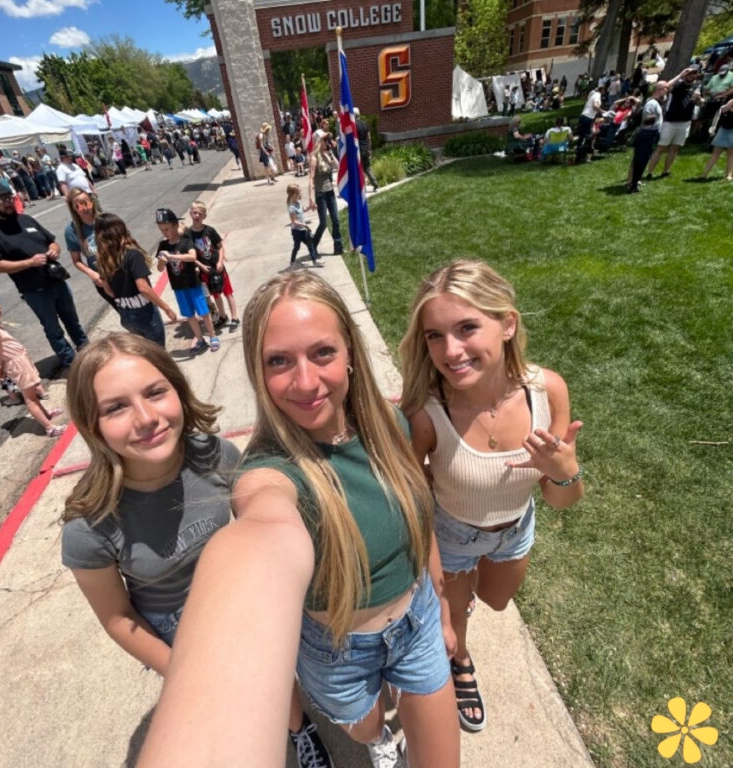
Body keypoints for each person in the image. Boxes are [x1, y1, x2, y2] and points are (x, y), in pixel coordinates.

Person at [136, 271, 460, 768]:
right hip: (338, 654)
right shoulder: (269, 475)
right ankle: (378, 741)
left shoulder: (391, 427)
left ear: (351, 352)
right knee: (371, 726)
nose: (304, 382)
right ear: (258, 371)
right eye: (279, 361)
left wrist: (438, 599)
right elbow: (262, 531)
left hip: (416, 623)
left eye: (322, 353)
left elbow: (420, 518)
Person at [399, 259, 584, 734]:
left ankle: (466, 602)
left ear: (507, 324)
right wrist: (439, 589)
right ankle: (462, 664)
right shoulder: (426, 412)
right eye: (434, 336)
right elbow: (416, 505)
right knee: (455, 621)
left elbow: (562, 500)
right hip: (453, 535)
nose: (450, 350)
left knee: (497, 601)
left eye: (466, 328)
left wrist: (565, 472)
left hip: (515, 529)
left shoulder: (548, 392)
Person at [60, 332, 240, 690]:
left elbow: (259, 534)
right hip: (175, 625)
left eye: (155, 392)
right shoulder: (88, 526)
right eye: (115, 408)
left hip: (237, 594)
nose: (145, 418)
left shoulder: (216, 455)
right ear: (91, 425)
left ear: (178, 391)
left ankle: (299, 726)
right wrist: (179, 673)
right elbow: (117, 617)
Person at [0, 182, 88, 368]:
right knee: (53, 329)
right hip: (34, 290)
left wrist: (54, 250)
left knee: (72, 320)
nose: (7, 202)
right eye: (1, 200)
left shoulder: (26, 219)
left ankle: (86, 352)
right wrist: (29, 263)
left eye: (9, 198)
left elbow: (52, 242)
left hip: (56, 280)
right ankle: (71, 363)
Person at [0, 294, 65, 436]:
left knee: (33, 396)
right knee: (30, 399)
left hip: (19, 362)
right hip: (17, 365)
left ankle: (45, 414)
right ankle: (49, 427)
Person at [94, 213, 177, 346]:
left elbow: (108, 290)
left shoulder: (102, 259)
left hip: (126, 314)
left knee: (144, 350)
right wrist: (166, 308)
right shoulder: (132, 255)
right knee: (158, 351)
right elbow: (143, 288)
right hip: (145, 313)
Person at [155, 208, 219, 354]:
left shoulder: (186, 241)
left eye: (167, 229)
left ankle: (213, 336)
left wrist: (173, 257)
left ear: (176, 226)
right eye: (161, 230)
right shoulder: (163, 246)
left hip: (192, 284)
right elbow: (159, 269)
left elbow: (192, 256)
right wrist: (162, 261)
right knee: (189, 315)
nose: (164, 232)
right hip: (178, 287)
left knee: (204, 312)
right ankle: (200, 339)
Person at [185, 200, 240, 333]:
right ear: (190, 214)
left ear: (204, 216)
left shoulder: (210, 230)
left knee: (227, 292)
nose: (196, 215)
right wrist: (200, 265)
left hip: (217, 267)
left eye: (200, 213)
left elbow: (220, 247)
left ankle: (234, 317)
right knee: (215, 294)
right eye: (194, 212)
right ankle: (222, 316)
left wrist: (220, 261)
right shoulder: (188, 234)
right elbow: (190, 254)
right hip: (205, 270)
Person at [646, 67, 704, 179]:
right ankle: (649, 172)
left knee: (675, 148)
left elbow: (700, 104)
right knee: (661, 148)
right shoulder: (678, 85)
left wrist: (699, 99)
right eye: (689, 74)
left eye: (694, 74)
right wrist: (681, 74)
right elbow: (666, 86)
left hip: (685, 122)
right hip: (670, 121)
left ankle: (666, 171)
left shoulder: (697, 87)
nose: (691, 76)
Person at [626, 80, 668, 193]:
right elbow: (645, 120)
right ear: (660, 89)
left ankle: (634, 182)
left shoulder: (653, 101)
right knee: (640, 160)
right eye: (666, 88)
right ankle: (632, 184)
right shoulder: (651, 103)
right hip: (647, 134)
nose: (667, 91)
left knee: (642, 160)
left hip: (651, 134)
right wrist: (652, 119)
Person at [308, 134, 344, 256]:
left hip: (330, 192)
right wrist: (311, 197)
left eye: (328, 140)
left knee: (336, 220)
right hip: (320, 194)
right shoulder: (314, 157)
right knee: (323, 223)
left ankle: (338, 247)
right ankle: (313, 244)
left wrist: (330, 154)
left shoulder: (327, 154)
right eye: (325, 140)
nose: (327, 142)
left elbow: (338, 166)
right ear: (319, 141)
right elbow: (311, 179)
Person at [286, 184, 323, 270]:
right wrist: (305, 225)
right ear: (293, 195)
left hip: (303, 230)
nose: (301, 194)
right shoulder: (291, 207)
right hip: (296, 231)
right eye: (298, 192)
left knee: (310, 245)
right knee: (297, 247)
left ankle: (315, 261)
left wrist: (310, 207)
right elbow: (294, 221)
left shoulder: (298, 203)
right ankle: (292, 262)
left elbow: (303, 210)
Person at [700, 96, 733, 181]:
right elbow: (723, 110)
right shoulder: (730, 101)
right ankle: (704, 173)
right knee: (715, 153)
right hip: (724, 129)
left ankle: (729, 174)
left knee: (731, 154)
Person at [354, 107, 379, 192]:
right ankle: (375, 183)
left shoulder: (354, 126)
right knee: (367, 168)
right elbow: (369, 138)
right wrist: (369, 149)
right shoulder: (365, 124)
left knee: (359, 169)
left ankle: (362, 187)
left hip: (358, 151)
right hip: (366, 149)